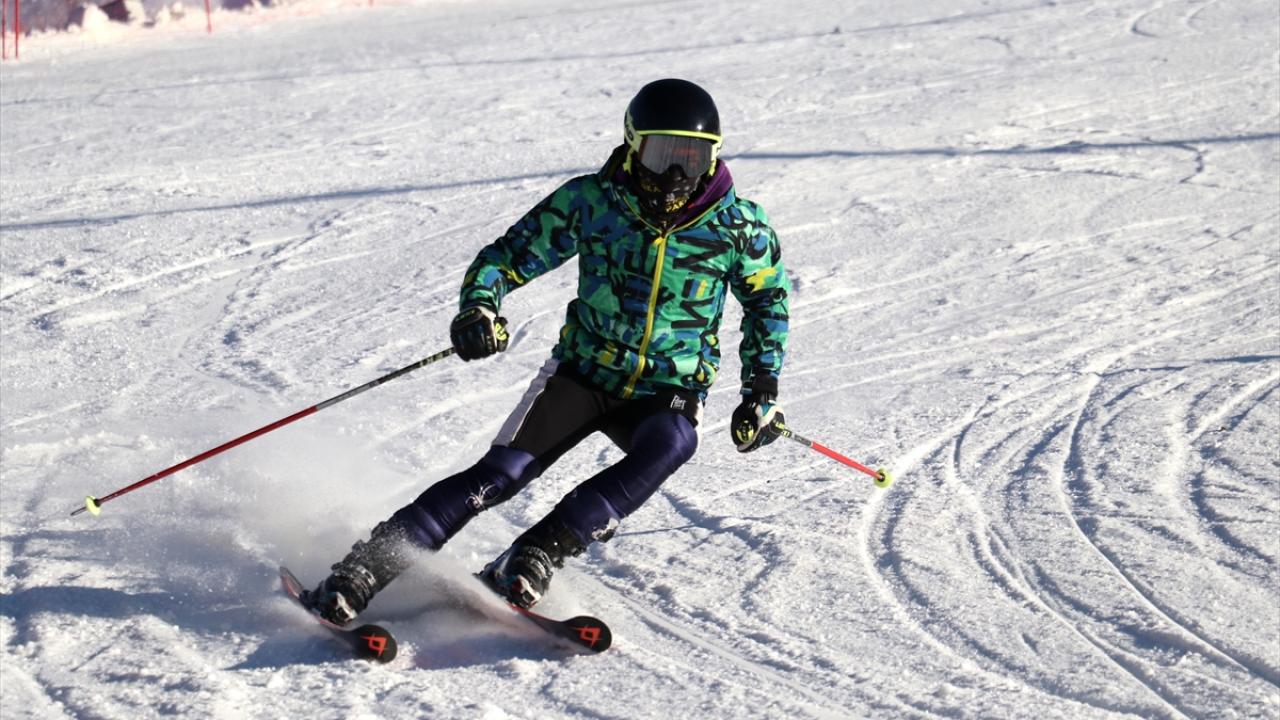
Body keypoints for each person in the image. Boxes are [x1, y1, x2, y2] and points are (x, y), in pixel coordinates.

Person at [302, 78, 791, 625]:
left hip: (667, 388)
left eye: (693, 158)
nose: (676, 175)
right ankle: (364, 569)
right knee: (502, 475)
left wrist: (761, 389)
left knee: (673, 442)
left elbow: (767, 303)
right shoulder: (592, 202)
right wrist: (479, 308)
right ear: (633, 146)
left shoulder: (740, 227)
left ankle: (538, 551)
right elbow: (505, 258)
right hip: (582, 373)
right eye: (661, 156)